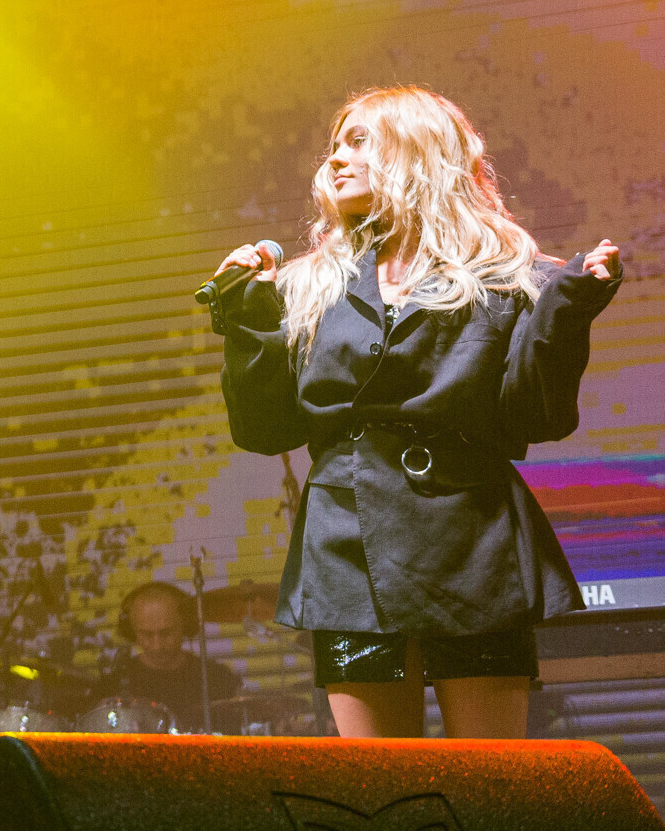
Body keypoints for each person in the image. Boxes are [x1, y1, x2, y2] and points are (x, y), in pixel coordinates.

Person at [209, 85, 621, 739]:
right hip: (347, 541)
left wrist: (567, 312)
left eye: (359, 141)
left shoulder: (508, 274)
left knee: (488, 778)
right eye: (334, 145)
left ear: (418, 152)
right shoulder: (309, 285)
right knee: (383, 786)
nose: (335, 159)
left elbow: (535, 417)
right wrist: (249, 317)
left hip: (472, 538)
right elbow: (265, 429)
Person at [96, 582, 240, 727]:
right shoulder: (113, 687)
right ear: (131, 632)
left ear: (186, 626)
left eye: (166, 633)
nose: (157, 645)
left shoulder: (216, 679)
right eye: (147, 634)